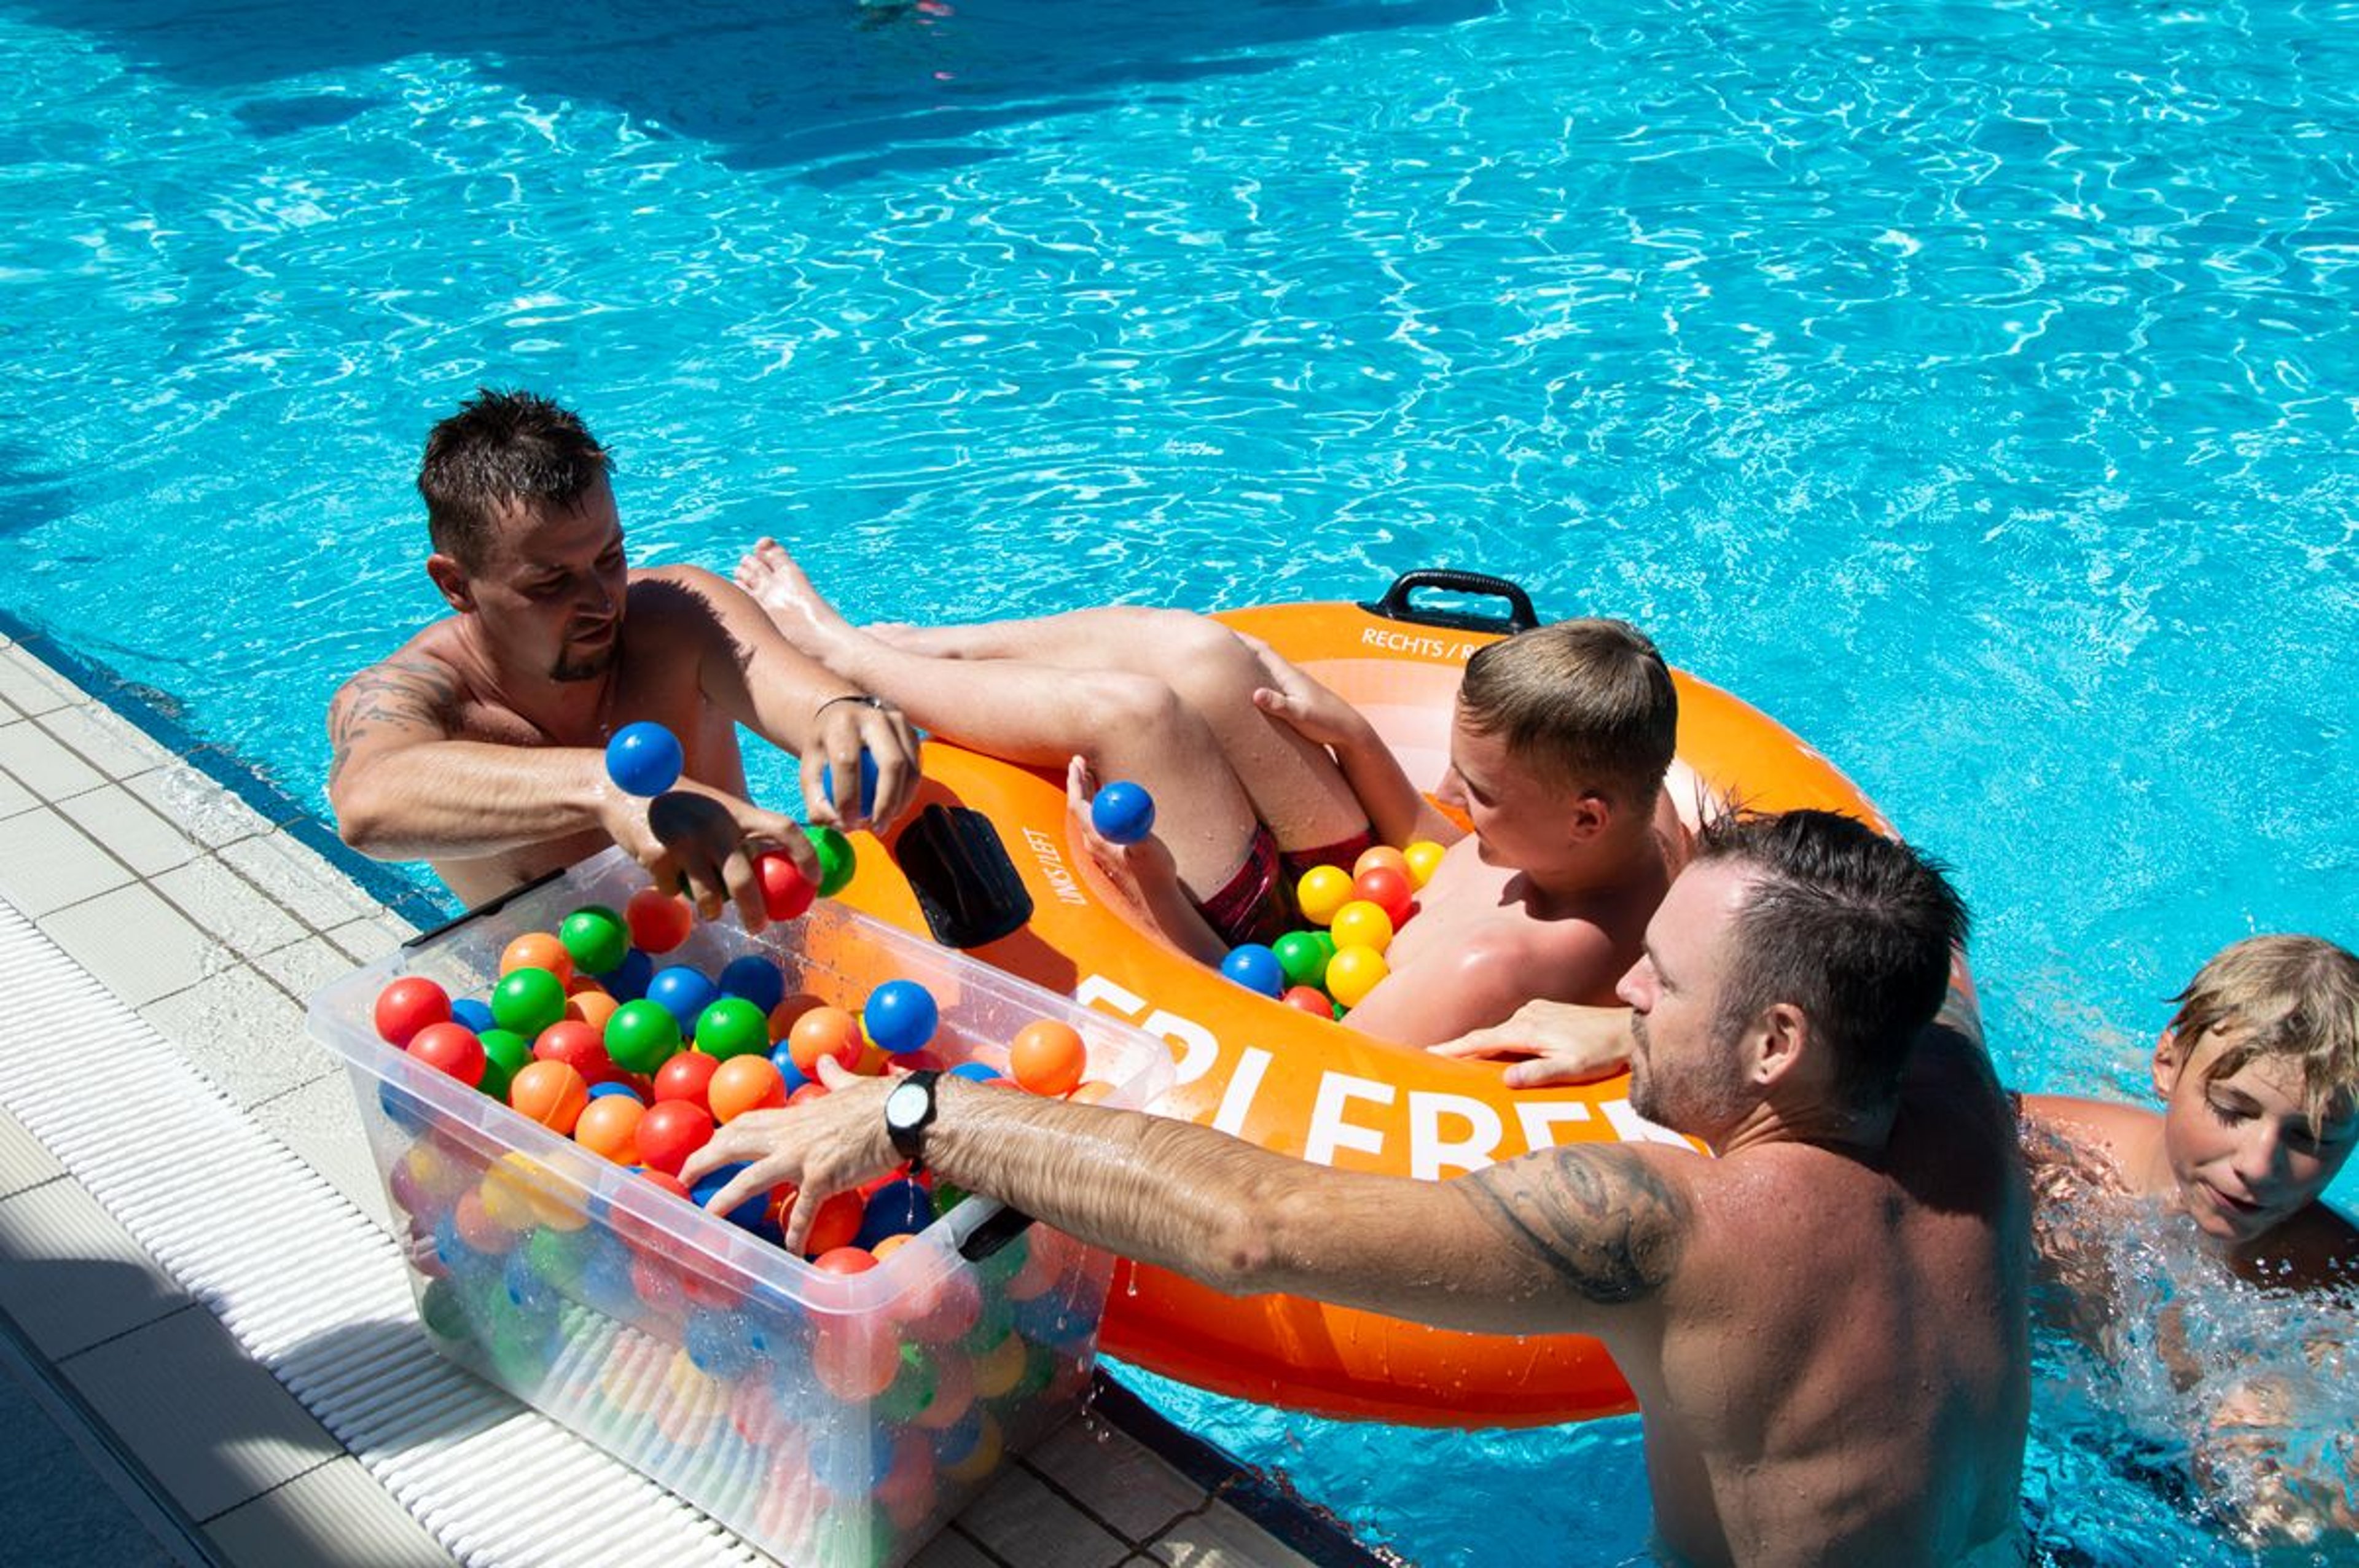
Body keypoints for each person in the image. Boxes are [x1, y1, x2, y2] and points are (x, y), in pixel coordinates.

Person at [685, 809, 2032, 1567]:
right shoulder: (1959, 1085)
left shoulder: (1666, 1228)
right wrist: (1648, 1033)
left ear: (1778, 1043)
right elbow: (1914, 942)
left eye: (1661, 981)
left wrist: (921, 1113)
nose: (1624, 984)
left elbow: (1255, 1224)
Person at [734, 539, 1687, 1045]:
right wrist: (1353, 735)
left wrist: (1147, 887)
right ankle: (934, 651)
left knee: (1134, 715)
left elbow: (1282, 1041)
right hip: (1357, 895)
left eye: (1476, 789)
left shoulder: (1495, 963)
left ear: (1586, 815)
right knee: (1205, 655)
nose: (1454, 793)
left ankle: (853, 660)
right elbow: (1433, 851)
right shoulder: (1638, 826)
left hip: (1259, 953)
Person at [328, 391, 920, 926]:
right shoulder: (415, 693)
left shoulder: (678, 618)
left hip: (766, 962)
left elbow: (805, 698)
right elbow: (366, 805)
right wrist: (610, 791)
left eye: (610, 556)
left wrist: (843, 713)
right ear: (456, 585)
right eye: (551, 582)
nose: (602, 601)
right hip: (570, 1002)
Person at [2016, 934, 2359, 1291]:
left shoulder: (2340, 1281)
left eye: (2312, 1136)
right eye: (2231, 1110)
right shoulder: (2038, 1149)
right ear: (2166, 1066)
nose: (2258, 1168)